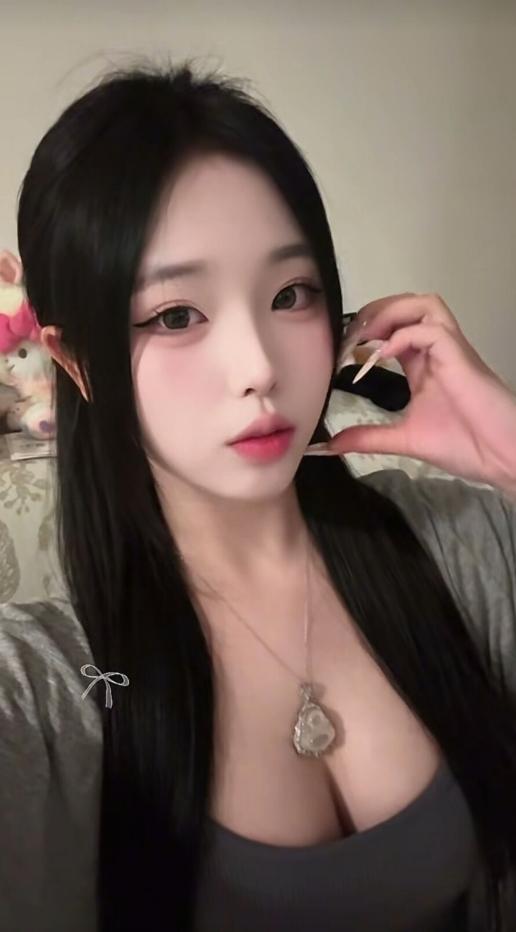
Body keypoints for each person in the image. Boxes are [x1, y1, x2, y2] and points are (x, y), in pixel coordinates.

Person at [1, 57, 516, 932]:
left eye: (291, 294)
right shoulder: (60, 685)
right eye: (176, 315)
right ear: (76, 360)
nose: (259, 368)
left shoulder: (458, 544)